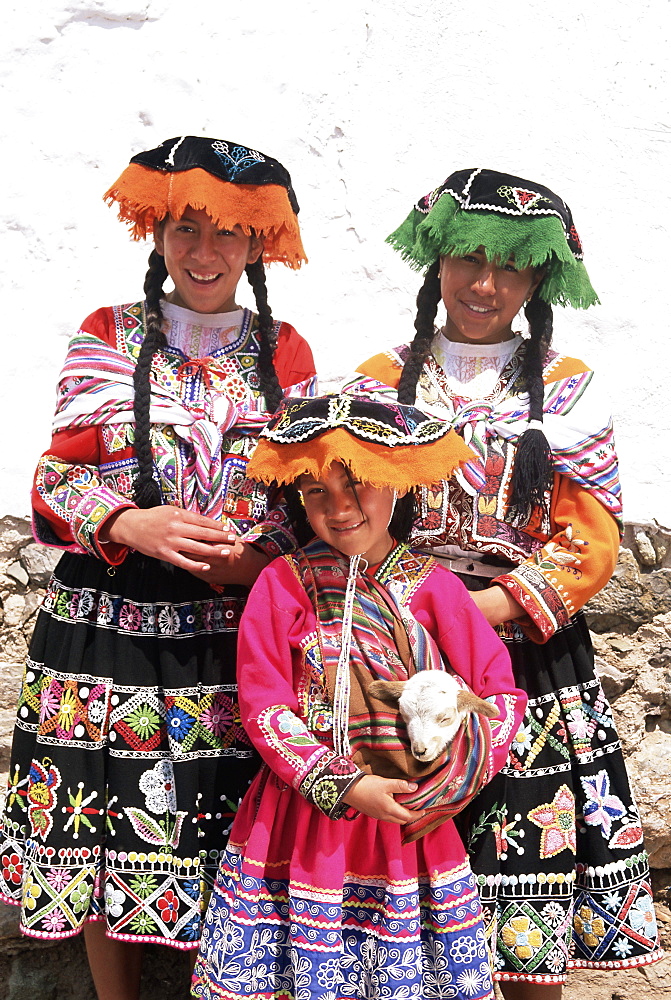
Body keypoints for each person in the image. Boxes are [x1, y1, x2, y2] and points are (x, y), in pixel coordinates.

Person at [0, 135, 316, 1000]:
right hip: (107, 624)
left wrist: (252, 561)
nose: (203, 253)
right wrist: (132, 522)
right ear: (156, 234)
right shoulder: (109, 333)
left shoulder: (284, 352)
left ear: (258, 242)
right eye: (183, 229)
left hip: (231, 628)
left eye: (225, 234)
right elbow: (57, 475)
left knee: (224, 821)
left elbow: (303, 490)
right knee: (100, 817)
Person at [345, 169, 662, 997]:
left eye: (509, 267)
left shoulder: (565, 388)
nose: (484, 284)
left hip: (524, 659)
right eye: (466, 258)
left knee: (528, 897)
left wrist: (473, 609)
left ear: (537, 278)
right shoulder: (378, 382)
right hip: (398, 657)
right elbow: (345, 514)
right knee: (406, 887)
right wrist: (413, 616)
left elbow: (587, 541)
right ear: (434, 261)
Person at [191, 393, 528, 1000]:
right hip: (303, 821)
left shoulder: (435, 588)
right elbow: (264, 705)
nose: (339, 508)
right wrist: (342, 785)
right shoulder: (284, 583)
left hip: (408, 823)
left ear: (395, 481)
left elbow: (498, 693)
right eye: (316, 491)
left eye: (358, 484)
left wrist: (442, 785)